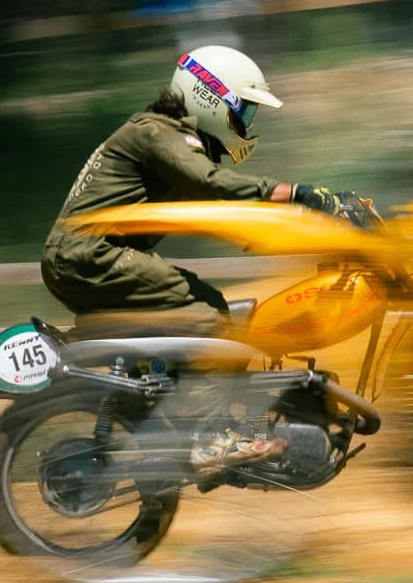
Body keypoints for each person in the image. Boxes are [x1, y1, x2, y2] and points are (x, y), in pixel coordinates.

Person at [41, 45, 360, 479]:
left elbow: (212, 205)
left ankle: (176, 419)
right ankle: (212, 438)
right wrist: (300, 193)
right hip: (88, 256)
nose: (245, 124)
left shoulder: (166, 138)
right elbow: (211, 183)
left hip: (84, 258)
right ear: (210, 96)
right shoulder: (157, 134)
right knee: (209, 313)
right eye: (242, 111)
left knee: (208, 319)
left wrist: (279, 231)